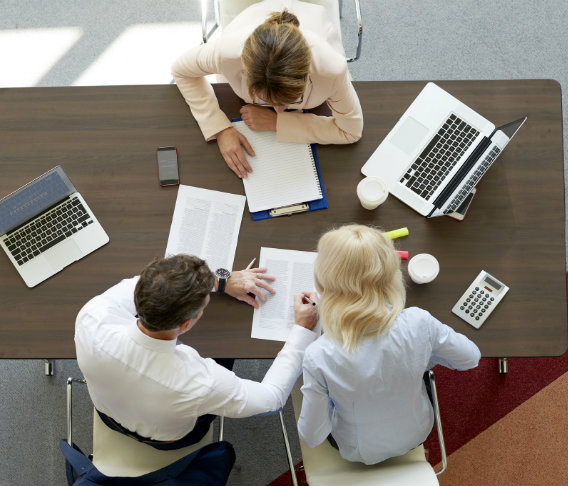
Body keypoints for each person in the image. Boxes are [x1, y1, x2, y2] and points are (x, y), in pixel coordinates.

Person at [75, 254, 319, 449]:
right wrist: (302, 331)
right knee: (226, 347)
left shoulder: (92, 317)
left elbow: (139, 283)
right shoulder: (199, 380)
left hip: (108, 413)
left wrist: (221, 281)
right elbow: (271, 400)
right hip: (170, 439)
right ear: (185, 325)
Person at [297, 225, 481, 465]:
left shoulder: (317, 355)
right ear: (392, 273)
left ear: (324, 285)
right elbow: (470, 358)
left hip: (357, 450)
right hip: (418, 432)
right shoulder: (419, 321)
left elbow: (312, 436)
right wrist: (422, 356)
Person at [171, 0, 363, 179]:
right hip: (251, 20)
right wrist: (220, 128)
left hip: (312, 19)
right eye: (266, 100)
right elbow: (181, 70)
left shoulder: (330, 69)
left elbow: (351, 131)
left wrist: (278, 122)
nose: (279, 109)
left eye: (288, 101)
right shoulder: (227, 53)